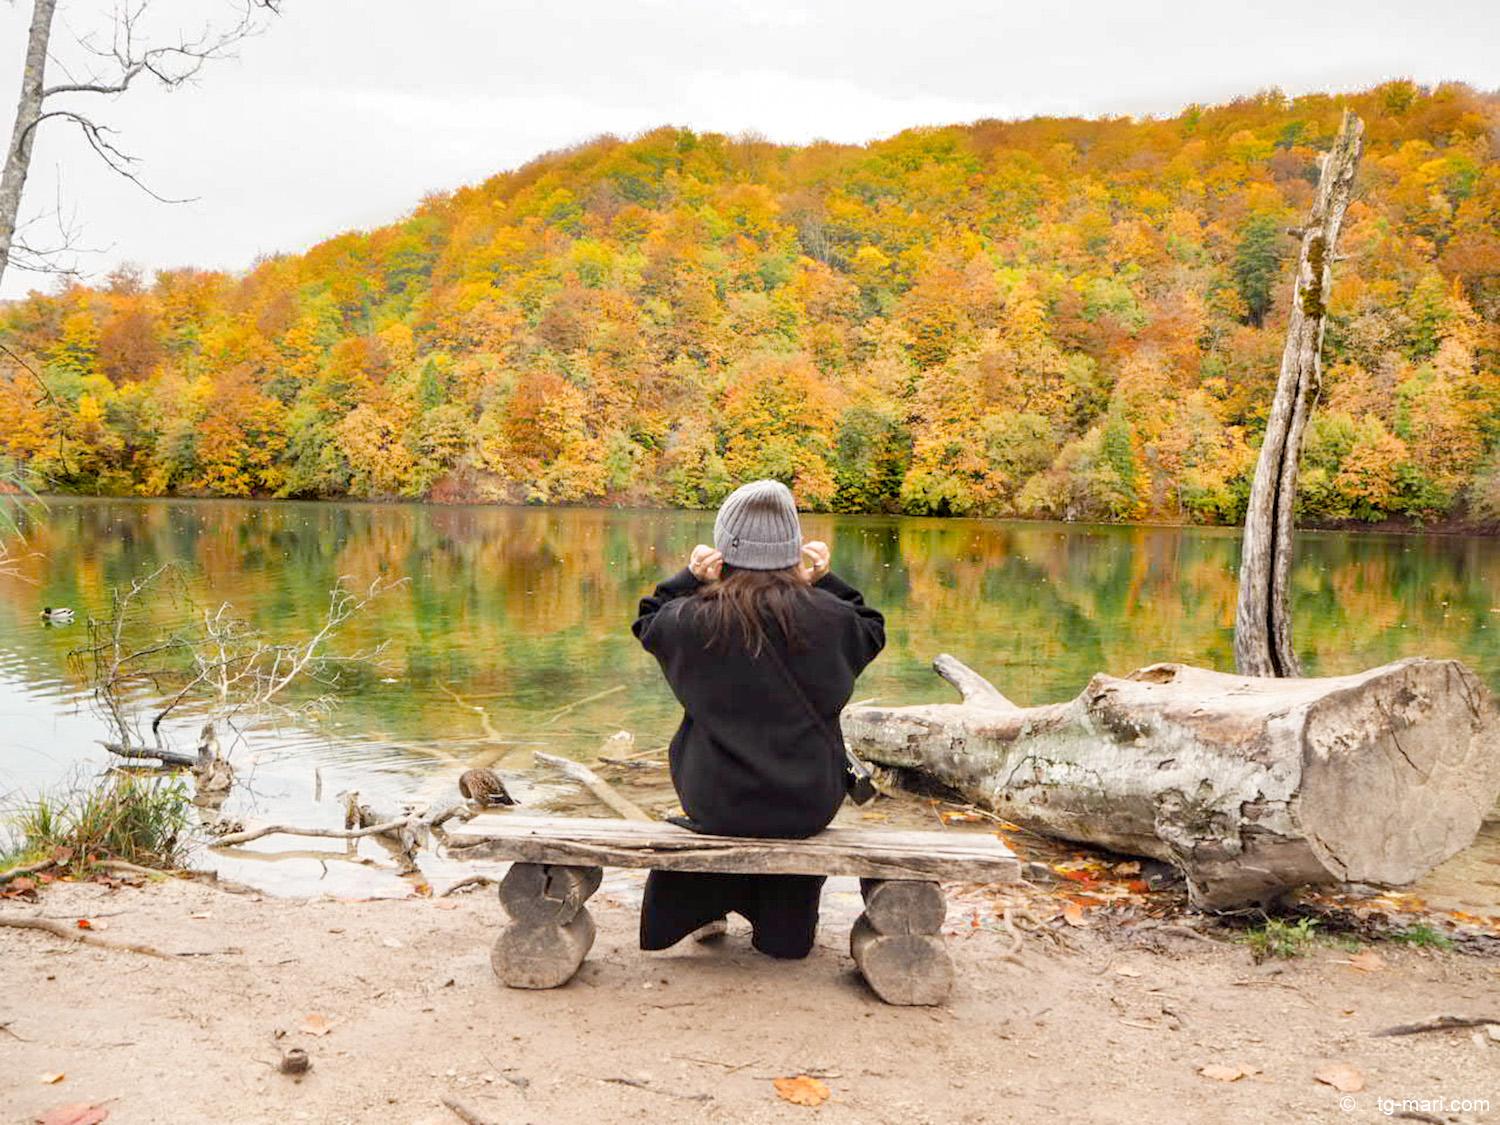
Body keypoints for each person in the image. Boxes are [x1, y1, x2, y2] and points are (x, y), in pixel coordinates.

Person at [631, 479, 886, 959]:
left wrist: (687, 578)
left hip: (715, 799)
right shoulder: (831, 618)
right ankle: (779, 923)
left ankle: (700, 905)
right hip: (805, 803)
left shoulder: (691, 618)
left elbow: (649, 621)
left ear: (724, 550)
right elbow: (871, 629)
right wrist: (826, 580)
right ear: (793, 549)